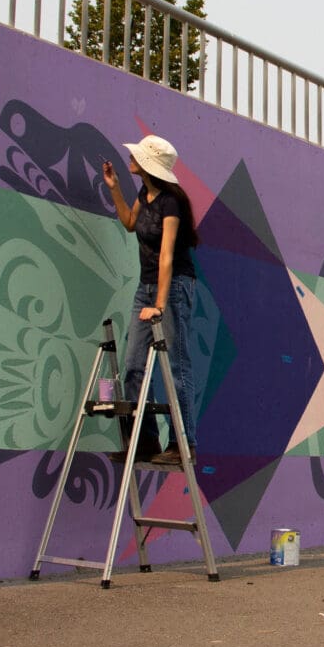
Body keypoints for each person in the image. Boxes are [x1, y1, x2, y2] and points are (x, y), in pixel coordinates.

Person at [102, 135, 201, 466]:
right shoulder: (144, 194)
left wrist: (159, 304)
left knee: (176, 365)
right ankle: (145, 441)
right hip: (146, 287)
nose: (130, 159)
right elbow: (131, 224)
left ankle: (182, 443)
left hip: (172, 286)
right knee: (132, 366)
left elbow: (166, 257)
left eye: (136, 156)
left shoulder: (170, 204)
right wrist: (115, 188)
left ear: (148, 165)